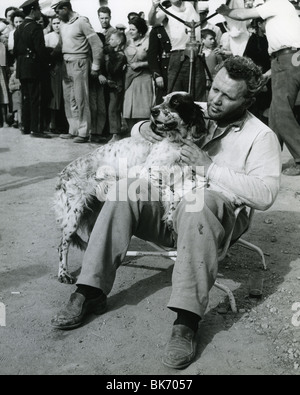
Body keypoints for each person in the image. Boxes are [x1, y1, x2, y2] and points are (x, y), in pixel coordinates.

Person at [51, 56, 282, 370]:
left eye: (228, 96)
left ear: (249, 100)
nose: (215, 99)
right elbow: (143, 127)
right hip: (167, 206)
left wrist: (209, 168)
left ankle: (186, 320)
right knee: (125, 189)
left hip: (211, 216)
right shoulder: (196, 108)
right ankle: (90, 290)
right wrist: (150, 127)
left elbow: (266, 195)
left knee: (200, 201)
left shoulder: (261, 136)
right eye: (215, 88)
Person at [217, 0, 300, 176]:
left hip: (287, 57)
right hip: (288, 58)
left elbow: (241, 15)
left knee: (282, 112)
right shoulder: (285, 8)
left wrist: (225, 10)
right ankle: (270, 158)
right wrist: (270, 73)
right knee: (276, 113)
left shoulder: (277, 3)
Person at [51, 0, 103, 143]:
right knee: (69, 99)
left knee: (81, 99)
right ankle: (73, 129)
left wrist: (96, 66)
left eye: (58, 11)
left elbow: (97, 44)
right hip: (65, 63)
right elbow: (60, 44)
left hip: (80, 62)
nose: (56, 15)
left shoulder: (82, 22)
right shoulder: (62, 24)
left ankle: (84, 132)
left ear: (66, 8)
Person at [148, 0, 206, 101]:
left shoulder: (191, 5)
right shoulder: (166, 12)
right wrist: (153, 9)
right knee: (175, 95)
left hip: (196, 54)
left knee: (197, 94)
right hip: (177, 55)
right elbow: (152, 22)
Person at [13, 0, 51, 138]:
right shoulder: (35, 27)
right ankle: (37, 129)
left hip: (22, 67)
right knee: (36, 98)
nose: (39, 12)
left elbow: (15, 50)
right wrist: (48, 62)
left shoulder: (18, 28)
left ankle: (26, 126)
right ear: (33, 10)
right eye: (38, 9)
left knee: (26, 97)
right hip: (34, 67)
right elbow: (40, 50)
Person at [123, 17, 154, 133]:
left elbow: (155, 61)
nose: (130, 32)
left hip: (143, 78)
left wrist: (141, 64)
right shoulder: (127, 41)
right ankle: (131, 134)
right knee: (128, 109)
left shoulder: (148, 42)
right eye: (129, 29)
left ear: (140, 31)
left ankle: (142, 134)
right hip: (129, 78)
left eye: (133, 30)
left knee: (142, 110)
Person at [100, 30, 127, 142]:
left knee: (114, 109)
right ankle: (113, 132)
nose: (109, 41)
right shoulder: (113, 54)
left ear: (119, 41)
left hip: (116, 85)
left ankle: (116, 134)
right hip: (111, 84)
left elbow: (114, 70)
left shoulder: (120, 56)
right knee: (111, 108)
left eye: (112, 39)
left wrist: (108, 57)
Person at [243, 17, 272, 123]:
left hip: (268, 79)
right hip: (258, 80)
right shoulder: (253, 40)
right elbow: (248, 61)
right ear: (260, 24)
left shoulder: (268, 39)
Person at [45, 15, 67, 134]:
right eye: (54, 23)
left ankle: (63, 124)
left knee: (64, 96)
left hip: (65, 67)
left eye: (59, 23)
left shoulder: (66, 35)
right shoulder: (48, 37)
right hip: (54, 68)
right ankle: (53, 123)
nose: (57, 25)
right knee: (55, 96)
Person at [148, 20, 172, 104]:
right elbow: (152, 55)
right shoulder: (158, 30)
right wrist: (157, 74)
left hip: (181, 69)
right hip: (164, 71)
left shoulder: (181, 27)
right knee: (162, 101)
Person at [200, 29, 222, 99]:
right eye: (210, 39)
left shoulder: (216, 52)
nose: (213, 41)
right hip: (200, 82)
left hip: (212, 81)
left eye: (214, 39)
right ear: (203, 40)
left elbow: (221, 65)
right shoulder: (198, 53)